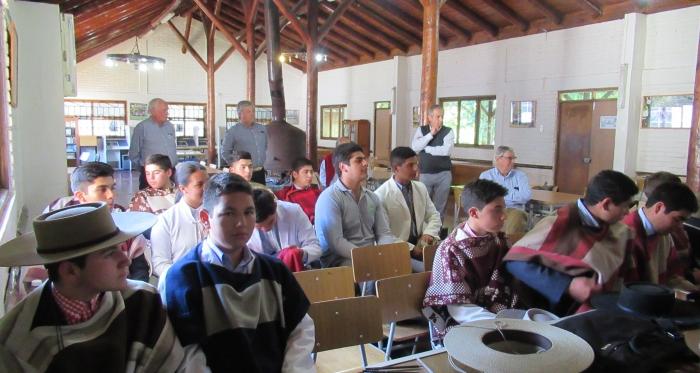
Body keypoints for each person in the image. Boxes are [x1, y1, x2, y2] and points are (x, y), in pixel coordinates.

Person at [0, 203, 206, 372]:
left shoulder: (142, 300)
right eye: (108, 254)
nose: (125, 260)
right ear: (70, 271)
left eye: (120, 248)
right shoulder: (17, 340)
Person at [161, 173, 315, 372]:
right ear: (206, 219)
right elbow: (187, 354)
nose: (241, 223)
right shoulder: (183, 278)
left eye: (248, 212)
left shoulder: (274, 271)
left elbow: (300, 330)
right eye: (229, 213)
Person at [503, 170, 638, 315]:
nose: (627, 213)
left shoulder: (619, 230)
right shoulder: (558, 224)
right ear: (606, 204)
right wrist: (567, 285)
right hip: (558, 312)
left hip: (602, 308)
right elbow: (515, 260)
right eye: (624, 206)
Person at [423, 180, 521, 340]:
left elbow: (511, 281)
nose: (505, 216)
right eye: (497, 210)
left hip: (502, 314)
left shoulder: (499, 240)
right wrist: (502, 324)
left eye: (504, 208)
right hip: (468, 322)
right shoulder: (451, 250)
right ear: (474, 213)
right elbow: (458, 308)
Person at [315, 142, 397, 267]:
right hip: (340, 260)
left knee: (403, 265)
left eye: (364, 159)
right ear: (343, 167)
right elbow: (336, 242)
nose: (365, 163)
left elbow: (384, 233)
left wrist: (384, 253)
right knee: (377, 274)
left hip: (370, 256)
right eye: (359, 160)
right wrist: (368, 257)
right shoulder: (329, 198)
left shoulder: (372, 197)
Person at [622, 181, 698, 290]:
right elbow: (630, 291)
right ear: (658, 208)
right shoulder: (625, 236)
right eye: (677, 219)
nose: (679, 226)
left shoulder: (664, 234)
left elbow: (673, 278)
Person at [374, 147, 441, 270]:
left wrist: (428, 233)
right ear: (396, 169)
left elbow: (434, 215)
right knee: (430, 272)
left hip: (421, 244)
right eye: (410, 165)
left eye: (416, 164)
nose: (416, 169)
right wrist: (412, 248)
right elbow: (385, 236)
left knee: (448, 264)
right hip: (398, 249)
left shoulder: (420, 187)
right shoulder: (381, 195)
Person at [150, 161, 209, 278]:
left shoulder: (216, 214)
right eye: (199, 185)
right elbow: (160, 264)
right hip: (181, 283)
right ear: (183, 189)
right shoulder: (165, 221)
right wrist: (184, 278)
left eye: (208, 183)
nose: (206, 189)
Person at [249, 189, 322, 271]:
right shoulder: (244, 224)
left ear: (276, 206)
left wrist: (301, 253)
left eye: (270, 222)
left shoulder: (294, 212)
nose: (265, 229)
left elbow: (316, 247)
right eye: (259, 227)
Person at [411, 104, 454, 221]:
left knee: (440, 206)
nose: (441, 119)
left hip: (444, 174)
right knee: (423, 204)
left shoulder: (448, 131)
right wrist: (430, 135)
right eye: (438, 116)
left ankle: (436, 234)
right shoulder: (422, 130)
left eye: (442, 116)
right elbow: (415, 147)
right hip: (425, 173)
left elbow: (446, 151)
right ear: (430, 118)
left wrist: (427, 149)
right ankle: (423, 232)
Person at [479, 146, 532, 236]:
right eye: (510, 158)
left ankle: (508, 245)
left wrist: (500, 196)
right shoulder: (486, 176)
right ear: (498, 159)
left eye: (514, 158)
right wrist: (513, 196)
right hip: (494, 210)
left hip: (515, 210)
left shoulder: (520, 176)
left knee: (517, 217)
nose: (513, 161)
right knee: (487, 217)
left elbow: (526, 196)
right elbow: (486, 198)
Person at [128, 98, 178, 190]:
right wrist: (145, 169)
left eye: (167, 110)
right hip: (151, 175)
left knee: (170, 199)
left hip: (170, 172)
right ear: (152, 111)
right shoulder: (142, 127)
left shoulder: (170, 126)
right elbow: (133, 154)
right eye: (164, 110)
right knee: (149, 201)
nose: (167, 113)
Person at [45, 162, 126, 213]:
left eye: (112, 188)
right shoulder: (58, 209)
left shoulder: (119, 213)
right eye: (102, 189)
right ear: (81, 196)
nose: (111, 195)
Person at [220, 100, 267, 184]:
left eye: (253, 111)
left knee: (260, 195)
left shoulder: (262, 129)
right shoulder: (232, 131)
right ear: (240, 114)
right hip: (242, 174)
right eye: (249, 111)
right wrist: (237, 167)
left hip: (260, 172)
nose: (252, 114)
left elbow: (265, 147)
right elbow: (225, 152)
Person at [275, 157, 321, 224]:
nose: (310, 175)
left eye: (311, 172)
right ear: (295, 174)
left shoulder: (317, 193)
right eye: (306, 172)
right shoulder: (284, 194)